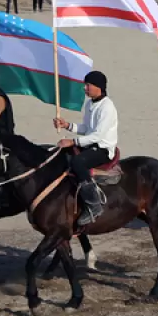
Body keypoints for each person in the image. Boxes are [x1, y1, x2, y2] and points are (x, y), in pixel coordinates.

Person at [54, 70, 118, 227]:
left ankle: (94, 205)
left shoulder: (107, 107)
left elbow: (97, 135)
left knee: (77, 162)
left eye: (88, 85)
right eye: (85, 85)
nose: (85, 88)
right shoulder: (90, 104)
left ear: (99, 87)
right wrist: (67, 125)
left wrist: (73, 142)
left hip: (102, 149)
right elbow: (86, 128)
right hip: (89, 144)